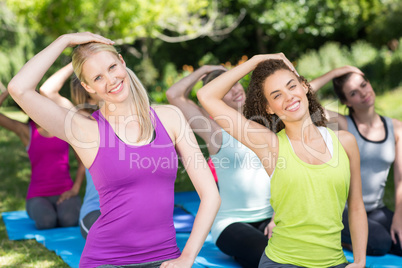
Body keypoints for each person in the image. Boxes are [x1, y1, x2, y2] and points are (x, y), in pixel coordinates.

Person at [7, 32, 220, 268]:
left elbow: (210, 195)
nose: (110, 80)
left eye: (111, 67)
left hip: (165, 256)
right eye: (97, 77)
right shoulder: (85, 130)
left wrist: (187, 257)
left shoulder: (170, 117)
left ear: (122, 62)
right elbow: (19, 88)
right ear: (87, 86)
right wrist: (65, 40)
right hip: (107, 259)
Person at [197, 54, 368, 268]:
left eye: (291, 86)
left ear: (304, 86)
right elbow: (206, 95)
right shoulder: (269, 144)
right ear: (269, 107)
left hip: (335, 262)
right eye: (276, 95)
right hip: (283, 262)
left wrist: (360, 261)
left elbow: (356, 206)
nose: (288, 97)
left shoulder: (345, 142)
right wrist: (256, 61)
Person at [166, 65, 273, 268]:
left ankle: (243, 256)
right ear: (215, 98)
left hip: (272, 217)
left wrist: (278, 217)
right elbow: (174, 94)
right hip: (232, 223)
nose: (236, 90)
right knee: (271, 258)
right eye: (226, 89)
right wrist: (203, 70)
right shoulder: (213, 130)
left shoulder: (265, 121)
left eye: (236, 83)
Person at [309, 65, 402, 256]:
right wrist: (335, 72)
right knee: (380, 242)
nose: (363, 93)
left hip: (376, 208)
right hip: (341, 211)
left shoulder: (397, 128)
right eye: (353, 92)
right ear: (346, 101)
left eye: (364, 85)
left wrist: (399, 216)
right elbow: (303, 99)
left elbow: (401, 180)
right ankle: (330, 236)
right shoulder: (341, 124)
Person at [0, 89, 83, 230]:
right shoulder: (26, 131)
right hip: (38, 195)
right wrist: (11, 90)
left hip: (65, 191)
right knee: (47, 222)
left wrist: (75, 189)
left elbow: (83, 161)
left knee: (69, 221)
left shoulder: (63, 127)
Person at [39, 62, 101, 239]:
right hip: (98, 212)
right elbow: (47, 90)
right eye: (97, 78)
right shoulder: (84, 120)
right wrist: (78, 61)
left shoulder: (129, 118)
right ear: (87, 91)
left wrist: (76, 188)